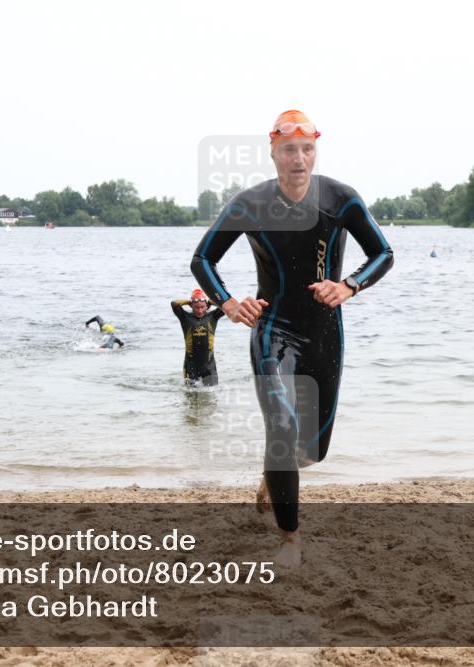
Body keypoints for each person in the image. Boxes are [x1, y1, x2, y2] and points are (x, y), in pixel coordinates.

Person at [190, 110, 393, 567]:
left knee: (311, 452)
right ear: (273, 152)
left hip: (324, 332)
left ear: (315, 151)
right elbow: (203, 259)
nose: (298, 159)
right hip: (273, 329)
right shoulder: (250, 203)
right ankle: (290, 540)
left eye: (306, 149)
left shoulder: (340, 199)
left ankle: (274, 474)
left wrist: (349, 286)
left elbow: (383, 252)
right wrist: (228, 303)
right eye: (288, 150)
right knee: (281, 428)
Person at [171, 288, 226, 386]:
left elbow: (225, 306)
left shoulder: (213, 316)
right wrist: (188, 302)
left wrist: (210, 302)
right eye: (196, 307)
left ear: (206, 306)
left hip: (209, 367)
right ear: (192, 306)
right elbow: (174, 304)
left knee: (212, 393)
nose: (200, 311)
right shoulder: (185, 317)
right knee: (189, 393)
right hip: (190, 366)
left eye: (202, 307)